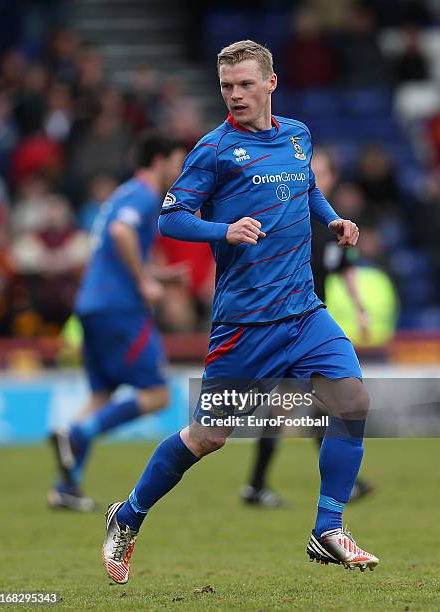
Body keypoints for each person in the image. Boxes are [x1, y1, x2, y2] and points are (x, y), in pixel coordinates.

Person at [102, 40, 379, 584]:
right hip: (246, 324)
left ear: (270, 83)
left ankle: (328, 528)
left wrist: (334, 220)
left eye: (246, 84)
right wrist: (221, 229)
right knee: (208, 438)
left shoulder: (297, 136)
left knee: (352, 400)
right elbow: (171, 218)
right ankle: (129, 514)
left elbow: (306, 190)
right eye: (227, 86)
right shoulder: (213, 150)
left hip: (303, 312)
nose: (235, 95)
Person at [48, 132, 186, 511]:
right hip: (120, 308)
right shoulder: (142, 195)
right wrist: (143, 280)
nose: (181, 168)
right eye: (178, 159)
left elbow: (114, 245)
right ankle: (77, 432)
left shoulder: (122, 195)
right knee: (159, 393)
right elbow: (120, 232)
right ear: (159, 161)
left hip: (92, 306)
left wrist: (158, 275)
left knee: (101, 395)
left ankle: (66, 486)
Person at [241, 150, 374, 508]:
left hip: (310, 326)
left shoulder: (334, 224)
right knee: (305, 404)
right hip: (289, 324)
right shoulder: (291, 214)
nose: (314, 176)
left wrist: (361, 309)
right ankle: (259, 486)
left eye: (320, 172)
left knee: (306, 404)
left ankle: (258, 486)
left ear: (331, 178)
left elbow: (346, 268)